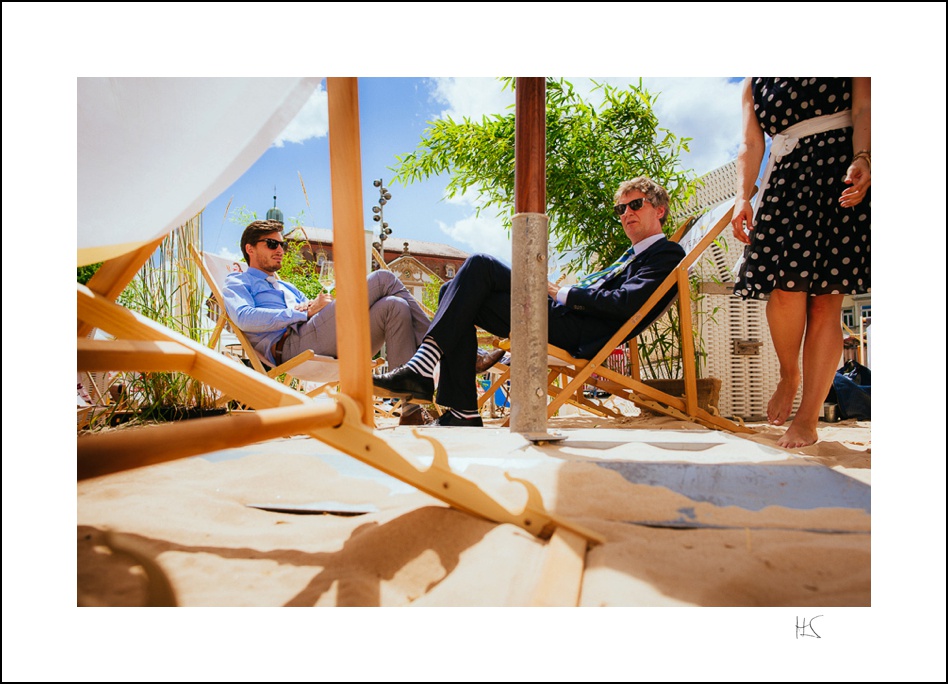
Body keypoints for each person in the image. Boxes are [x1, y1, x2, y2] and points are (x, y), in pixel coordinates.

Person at [372, 177, 686, 426]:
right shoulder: (630, 257)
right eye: (621, 209)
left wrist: (559, 292)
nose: (627, 213)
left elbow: (625, 302)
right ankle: (463, 411)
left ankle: (422, 369)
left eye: (635, 205)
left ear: (659, 210)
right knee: (450, 290)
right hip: (562, 316)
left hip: (574, 327)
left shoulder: (666, 255)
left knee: (480, 264)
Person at [730, 77, 871, 448]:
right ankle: (789, 373)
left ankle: (808, 418)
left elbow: (863, 108)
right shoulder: (756, 80)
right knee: (785, 291)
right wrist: (743, 196)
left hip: (839, 171)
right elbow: (752, 142)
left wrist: (864, 157)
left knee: (828, 299)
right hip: (786, 179)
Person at [222, 219, 433, 425]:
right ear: (250, 249)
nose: (280, 250)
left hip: (320, 338)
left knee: (395, 306)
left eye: (282, 245)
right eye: (272, 244)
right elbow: (244, 317)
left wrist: (318, 308)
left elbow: (311, 312)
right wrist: (302, 313)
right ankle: (436, 345)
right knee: (383, 278)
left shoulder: (287, 287)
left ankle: (411, 410)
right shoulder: (238, 281)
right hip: (292, 345)